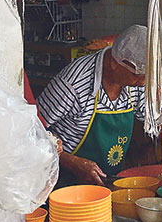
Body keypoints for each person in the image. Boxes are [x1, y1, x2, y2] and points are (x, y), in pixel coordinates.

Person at [38, 25, 151, 186]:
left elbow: (154, 120)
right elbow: (32, 132)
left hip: (108, 183)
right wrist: (71, 162)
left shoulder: (136, 84)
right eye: (136, 76)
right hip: (64, 183)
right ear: (114, 63)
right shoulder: (73, 83)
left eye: (146, 76)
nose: (143, 82)